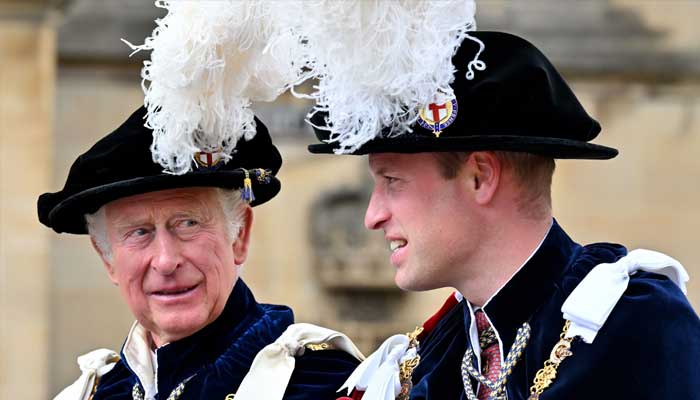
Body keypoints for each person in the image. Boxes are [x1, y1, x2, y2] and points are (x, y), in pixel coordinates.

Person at [308, 31, 700, 399]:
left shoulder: (630, 327)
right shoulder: (432, 358)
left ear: (480, 177)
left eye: (392, 181)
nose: (372, 216)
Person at [40, 106, 362, 400]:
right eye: (139, 232)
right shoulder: (91, 393)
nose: (166, 261)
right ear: (107, 257)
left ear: (239, 236)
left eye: (188, 223)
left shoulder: (321, 382)